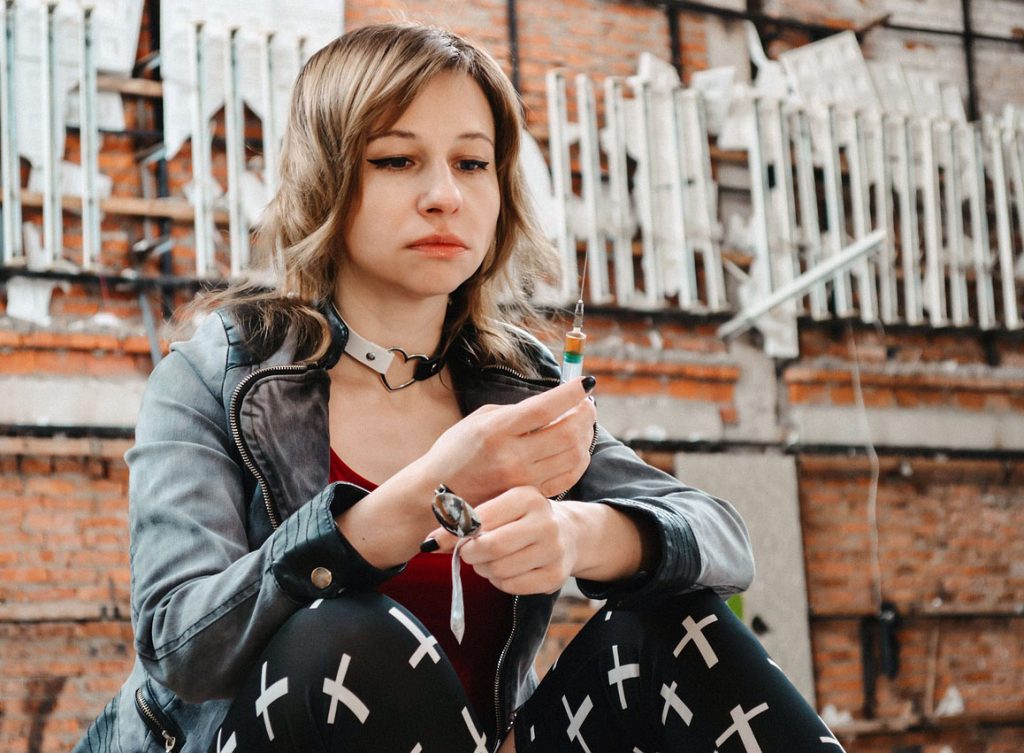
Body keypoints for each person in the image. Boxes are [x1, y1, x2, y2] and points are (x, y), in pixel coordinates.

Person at [74, 22, 843, 753]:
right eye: (397, 160)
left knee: (675, 622)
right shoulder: (216, 376)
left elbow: (722, 539)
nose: (445, 195)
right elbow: (181, 645)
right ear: (326, 180)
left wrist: (578, 533)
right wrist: (423, 493)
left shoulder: (517, 385)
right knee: (345, 632)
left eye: (472, 164)